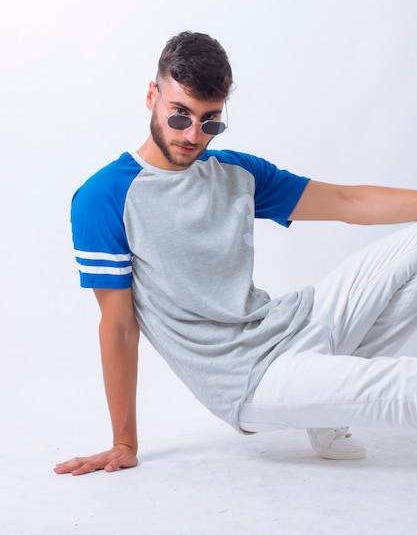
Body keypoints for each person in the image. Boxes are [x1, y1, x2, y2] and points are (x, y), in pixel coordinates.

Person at [55, 31, 417, 476]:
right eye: (179, 115)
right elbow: (119, 326)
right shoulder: (104, 196)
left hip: (295, 320)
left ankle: (325, 409)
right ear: (153, 95)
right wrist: (124, 441)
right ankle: (322, 401)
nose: (193, 135)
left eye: (210, 121)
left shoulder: (236, 172)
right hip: (249, 379)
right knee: (405, 384)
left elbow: (346, 201)